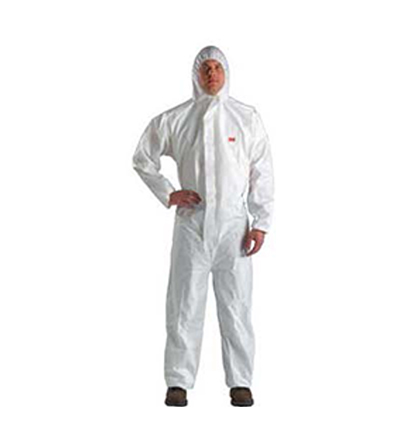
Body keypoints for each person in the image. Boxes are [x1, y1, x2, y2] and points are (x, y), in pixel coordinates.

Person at [132, 45, 274, 407]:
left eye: (217, 68)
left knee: (237, 305)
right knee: (184, 304)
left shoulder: (246, 118)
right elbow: (143, 158)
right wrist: (169, 193)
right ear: (196, 74)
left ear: (227, 73)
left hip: (234, 228)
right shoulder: (177, 119)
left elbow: (262, 171)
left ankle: (240, 381)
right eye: (206, 68)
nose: (212, 74)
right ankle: (178, 381)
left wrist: (260, 222)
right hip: (192, 225)